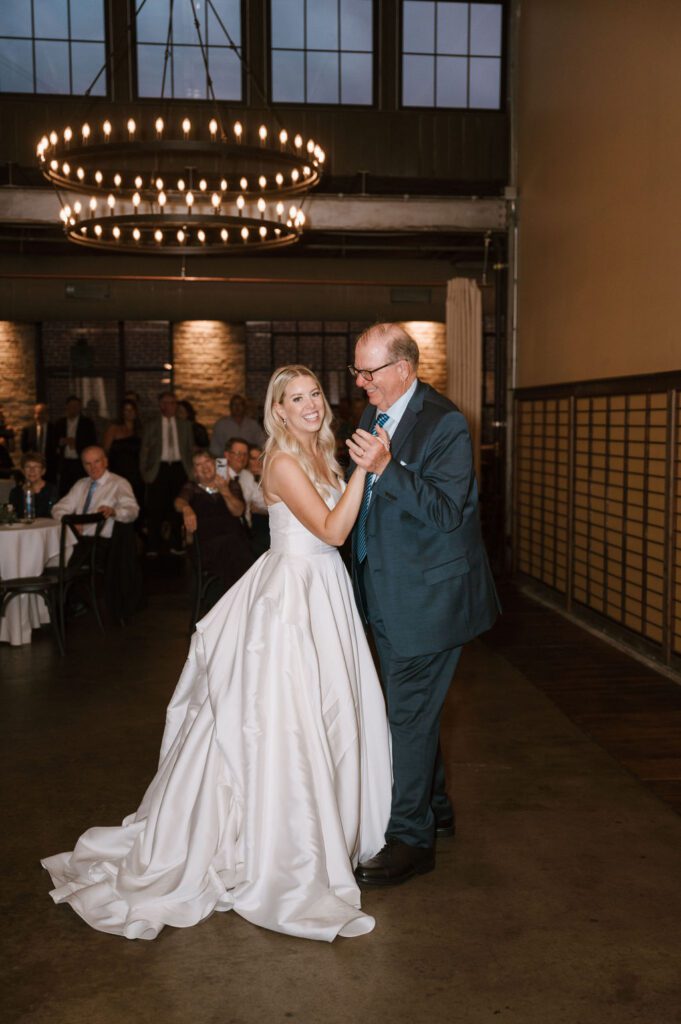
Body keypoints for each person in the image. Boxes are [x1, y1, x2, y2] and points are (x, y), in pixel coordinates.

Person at [42, 365, 391, 942]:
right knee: (285, 719)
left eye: (314, 396)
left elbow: (345, 530)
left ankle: (334, 826)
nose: (309, 406)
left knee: (327, 713)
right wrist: (365, 470)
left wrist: (355, 472)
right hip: (293, 598)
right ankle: (278, 842)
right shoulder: (281, 460)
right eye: (295, 399)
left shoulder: (322, 454)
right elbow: (332, 531)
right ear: (277, 411)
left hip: (325, 592)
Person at [347, 322, 501, 887]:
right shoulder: (375, 414)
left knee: (405, 713)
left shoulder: (446, 424)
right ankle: (436, 805)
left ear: (403, 369)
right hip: (383, 587)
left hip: (429, 597)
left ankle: (412, 839)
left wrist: (387, 468)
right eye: (357, 371)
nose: (361, 382)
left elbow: (442, 511)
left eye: (370, 371)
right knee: (413, 708)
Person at [175, 450, 254, 605]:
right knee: (234, 548)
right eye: (198, 465)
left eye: (207, 462)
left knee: (233, 547)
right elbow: (178, 501)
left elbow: (238, 511)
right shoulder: (192, 487)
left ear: (215, 464)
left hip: (234, 544)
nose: (204, 467)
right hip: (206, 548)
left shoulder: (230, 484)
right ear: (195, 472)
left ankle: (234, 605)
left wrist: (224, 491)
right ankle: (242, 602)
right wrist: (186, 508)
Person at [139, 391, 193, 556]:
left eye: (172, 403)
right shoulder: (151, 425)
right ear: (160, 405)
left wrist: (191, 473)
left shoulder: (185, 425)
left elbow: (190, 450)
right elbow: (144, 451)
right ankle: (153, 546)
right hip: (158, 469)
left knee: (178, 507)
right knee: (155, 508)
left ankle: (177, 544)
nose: (169, 406)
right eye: (166, 402)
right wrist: (145, 473)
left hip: (179, 468)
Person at [51, 446, 140, 542]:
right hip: (75, 539)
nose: (93, 467)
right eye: (88, 464)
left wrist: (114, 512)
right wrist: (71, 523)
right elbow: (58, 509)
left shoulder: (119, 483)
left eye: (97, 461)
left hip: (102, 544)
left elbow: (133, 511)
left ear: (106, 462)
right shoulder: (80, 484)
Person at [103, 399, 144, 508]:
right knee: (118, 502)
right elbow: (105, 451)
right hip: (118, 471)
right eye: (126, 410)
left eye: (131, 410)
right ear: (122, 412)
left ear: (136, 412)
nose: (129, 412)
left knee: (136, 502)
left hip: (136, 474)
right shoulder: (114, 429)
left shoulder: (141, 431)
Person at [54, 396, 97, 497]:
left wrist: (76, 443)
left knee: (81, 490)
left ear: (80, 408)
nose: (73, 409)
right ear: (67, 407)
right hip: (65, 462)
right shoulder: (60, 423)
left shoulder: (87, 423)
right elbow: (53, 442)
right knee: (65, 491)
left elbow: (91, 442)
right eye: (71, 406)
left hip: (80, 463)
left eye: (76, 406)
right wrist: (62, 442)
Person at [8, 452, 57, 518]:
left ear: (43, 471)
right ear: (23, 470)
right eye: (28, 467)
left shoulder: (52, 490)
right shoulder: (15, 492)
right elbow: (12, 518)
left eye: (36, 467)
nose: (32, 470)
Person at [21, 403, 58, 482]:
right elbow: (24, 448)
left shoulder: (54, 429)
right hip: (33, 467)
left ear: (47, 414)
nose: (39, 416)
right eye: (37, 413)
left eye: (42, 413)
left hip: (50, 467)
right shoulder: (27, 429)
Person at [247, 444, 270, 556]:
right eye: (252, 458)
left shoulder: (267, 474)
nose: (257, 461)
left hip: (268, 516)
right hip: (256, 523)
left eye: (259, 458)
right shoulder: (244, 477)